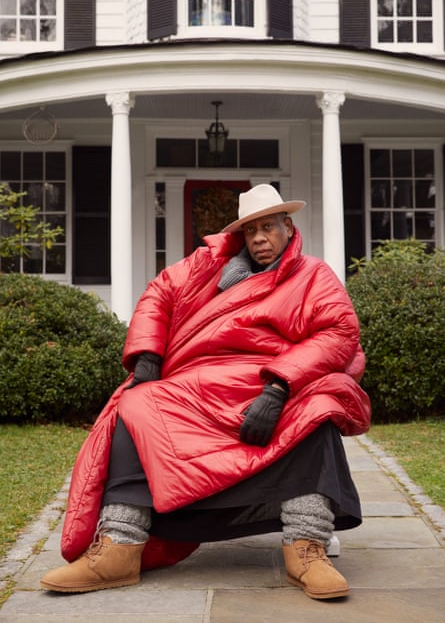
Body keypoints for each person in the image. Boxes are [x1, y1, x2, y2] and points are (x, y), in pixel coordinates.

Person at [41, 184, 371, 600]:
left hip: (269, 380)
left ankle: (306, 547)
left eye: (268, 227)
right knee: (136, 403)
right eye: (250, 231)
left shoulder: (313, 274)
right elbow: (159, 292)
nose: (260, 239)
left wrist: (280, 385)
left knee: (318, 407)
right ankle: (120, 546)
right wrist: (147, 356)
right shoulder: (207, 266)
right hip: (199, 382)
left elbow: (339, 332)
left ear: (288, 227)